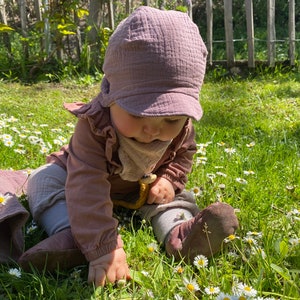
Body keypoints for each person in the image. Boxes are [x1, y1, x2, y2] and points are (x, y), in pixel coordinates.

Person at [18, 6, 239, 286]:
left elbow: (184, 155)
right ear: (110, 95)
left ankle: (181, 235)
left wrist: (170, 179)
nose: (153, 129)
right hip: (76, 179)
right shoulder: (94, 127)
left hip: (141, 188)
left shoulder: (183, 128)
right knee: (44, 182)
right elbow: (86, 185)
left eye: (171, 118)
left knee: (175, 199)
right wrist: (103, 246)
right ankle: (73, 234)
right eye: (137, 113)